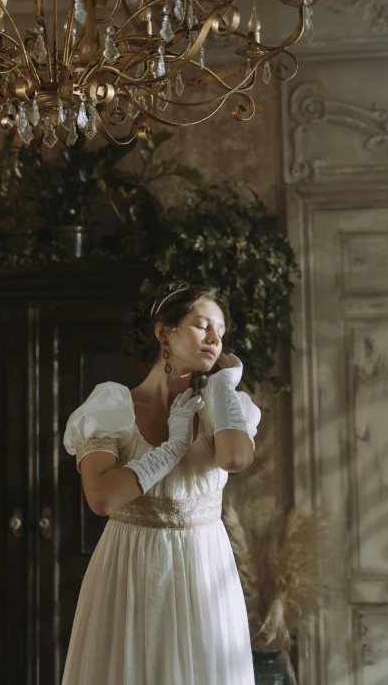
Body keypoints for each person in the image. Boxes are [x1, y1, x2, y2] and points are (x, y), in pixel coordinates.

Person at [62, 281, 261, 685]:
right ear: (164, 332)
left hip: (205, 569)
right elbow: (101, 498)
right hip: (132, 566)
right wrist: (171, 449)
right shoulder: (111, 406)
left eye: (221, 332)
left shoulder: (225, 410)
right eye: (202, 325)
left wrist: (223, 388)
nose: (214, 339)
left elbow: (235, 458)